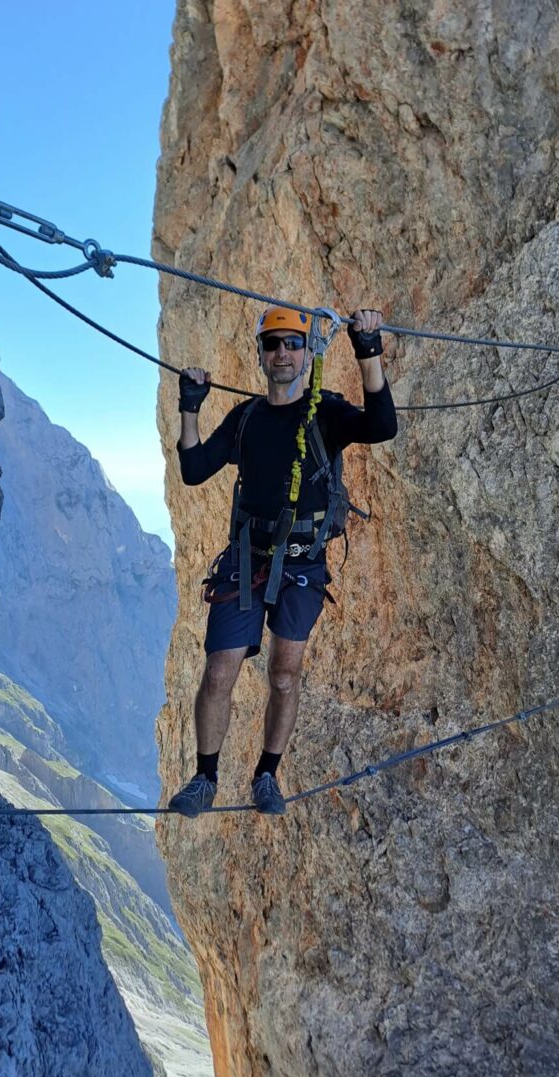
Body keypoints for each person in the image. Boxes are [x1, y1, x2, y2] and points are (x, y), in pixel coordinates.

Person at [169, 306, 398, 818]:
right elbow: (193, 468)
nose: (283, 353)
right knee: (219, 671)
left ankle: (267, 774)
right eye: (273, 344)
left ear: (306, 352)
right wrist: (190, 408)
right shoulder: (246, 418)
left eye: (293, 344)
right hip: (248, 560)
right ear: (261, 354)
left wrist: (368, 352)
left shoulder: (327, 412)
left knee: (284, 673)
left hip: (302, 563)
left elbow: (382, 426)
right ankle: (205, 777)